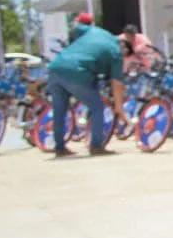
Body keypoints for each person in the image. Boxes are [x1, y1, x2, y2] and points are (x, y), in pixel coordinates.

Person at [46, 13, 125, 157]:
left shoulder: (93, 31)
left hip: (56, 67)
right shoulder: (116, 53)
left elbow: (76, 28)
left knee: (59, 110)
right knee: (97, 107)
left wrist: (75, 43)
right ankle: (96, 146)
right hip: (76, 72)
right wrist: (119, 108)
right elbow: (117, 84)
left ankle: (59, 147)